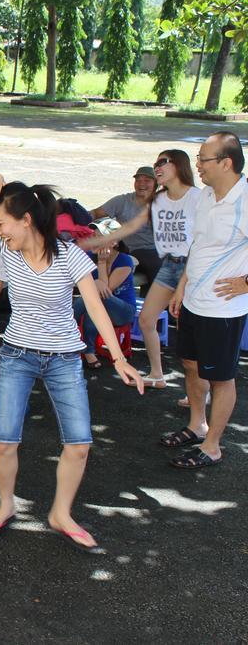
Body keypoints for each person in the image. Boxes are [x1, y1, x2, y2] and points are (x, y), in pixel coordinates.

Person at [0, 174, 143, 551]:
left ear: (26, 219)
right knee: (4, 441)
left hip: (63, 359)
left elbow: (93, 304)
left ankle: (61, 513)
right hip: (17, 355)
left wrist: (120, 358)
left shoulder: (68, 254)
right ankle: (5, 504)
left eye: (2, 223)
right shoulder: (7, 251)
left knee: (79, 443)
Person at [83, 151, 200, 390]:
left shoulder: (197, 198)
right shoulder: (158, 200)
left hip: (193, 267)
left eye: (161, 163)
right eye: (155, 163)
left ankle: (201, 388)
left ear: (178, 167)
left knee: (193, 330)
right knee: (147, 319)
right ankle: (157, 374)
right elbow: (130, 227)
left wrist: (184, 283)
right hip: (169, 265)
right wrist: (86, 243)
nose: (156, 168)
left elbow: (202, 241)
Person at [167, 132, 248, 469]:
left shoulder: (245, 199)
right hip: (194, 300)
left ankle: (212, 445)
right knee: (190, 365)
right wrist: (182, 285)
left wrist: (246, 283)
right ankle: (197, 425)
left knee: (220, 376)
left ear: (226, 163)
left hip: (222, 308)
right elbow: (198, 246)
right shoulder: (206, 197)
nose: (197, 165)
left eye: (203, 159)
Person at [73, 220, 137, 368]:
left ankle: (65, 326)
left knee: (96, 298)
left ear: (113, 242)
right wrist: (93, 284)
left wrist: (101, 264)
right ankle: (88, 351)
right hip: (98, 306)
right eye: (94, 236)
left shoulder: (125, 261)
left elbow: (106, 290)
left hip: (123, 311)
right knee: (93, 301)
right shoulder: (88, 255)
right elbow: (76, 280)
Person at [91, 167, 160, 285]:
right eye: (138, 180)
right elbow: (96, 213)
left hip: (159, 250)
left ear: (156, 184)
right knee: (158, 267)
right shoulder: (123, 201)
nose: (141, 184)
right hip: (134, 249)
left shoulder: (163, 202)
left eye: (147, 180)